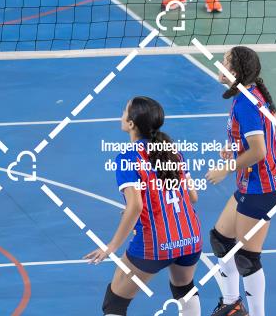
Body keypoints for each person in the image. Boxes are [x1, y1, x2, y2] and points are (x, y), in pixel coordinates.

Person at [86, 97, 202, 316]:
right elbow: (192, 196)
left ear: (131, 124)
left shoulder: (128, 158)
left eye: (124, 111)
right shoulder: (173, 152)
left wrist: (111, 246)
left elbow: (135, 207)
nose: (121, 115)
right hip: (190, 237)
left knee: (115, 302)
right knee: (184, 289)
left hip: (156, 242)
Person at [205, 46, 276, 316]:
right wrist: (236, 147)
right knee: (221, 240)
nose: (220, 64)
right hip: (252, 184)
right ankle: (232, 306)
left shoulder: (245, 103)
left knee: (247, 258)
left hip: (262, 188)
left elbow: (260, 150)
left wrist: (225, 169)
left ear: (236, 72)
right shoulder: (250, 93)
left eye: (225, 61)